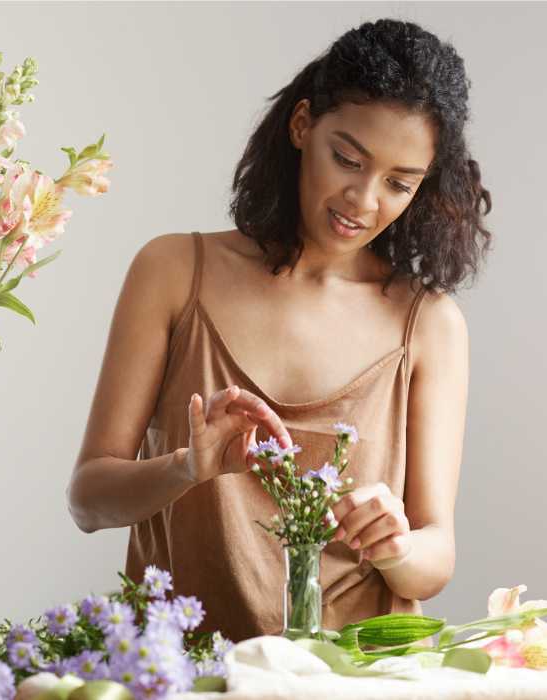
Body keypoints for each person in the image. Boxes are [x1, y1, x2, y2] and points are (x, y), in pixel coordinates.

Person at [66, 18, 492, 643]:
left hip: (358, 681)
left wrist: (396, 546)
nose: (363, 200)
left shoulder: (429, 324)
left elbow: (435, 557)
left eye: (399, 184)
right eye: (347, 159)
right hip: (188, 676)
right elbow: (88, 499)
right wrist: (184, 468)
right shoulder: (172, 271)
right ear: (301, 126)